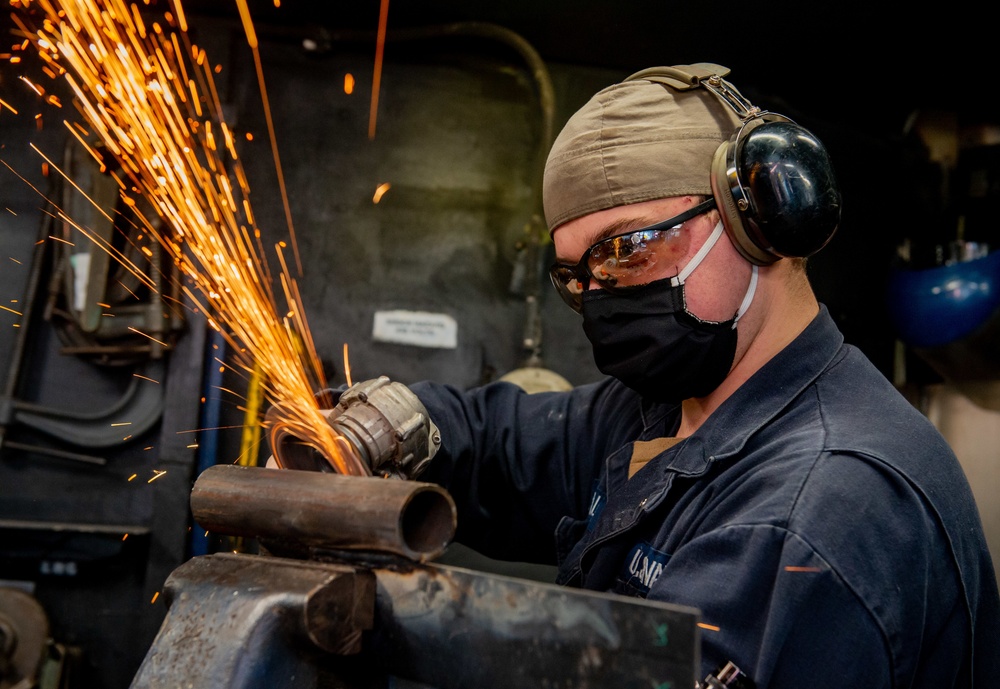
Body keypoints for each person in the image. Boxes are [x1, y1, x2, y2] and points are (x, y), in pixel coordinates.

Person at [341, 64, 1000, 685]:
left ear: (755, 218)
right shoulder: (672, 410)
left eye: (628, 248)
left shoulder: (815, 509)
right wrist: (364, 431)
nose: (601, 295)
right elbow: (496, 440)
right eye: (580, 275)